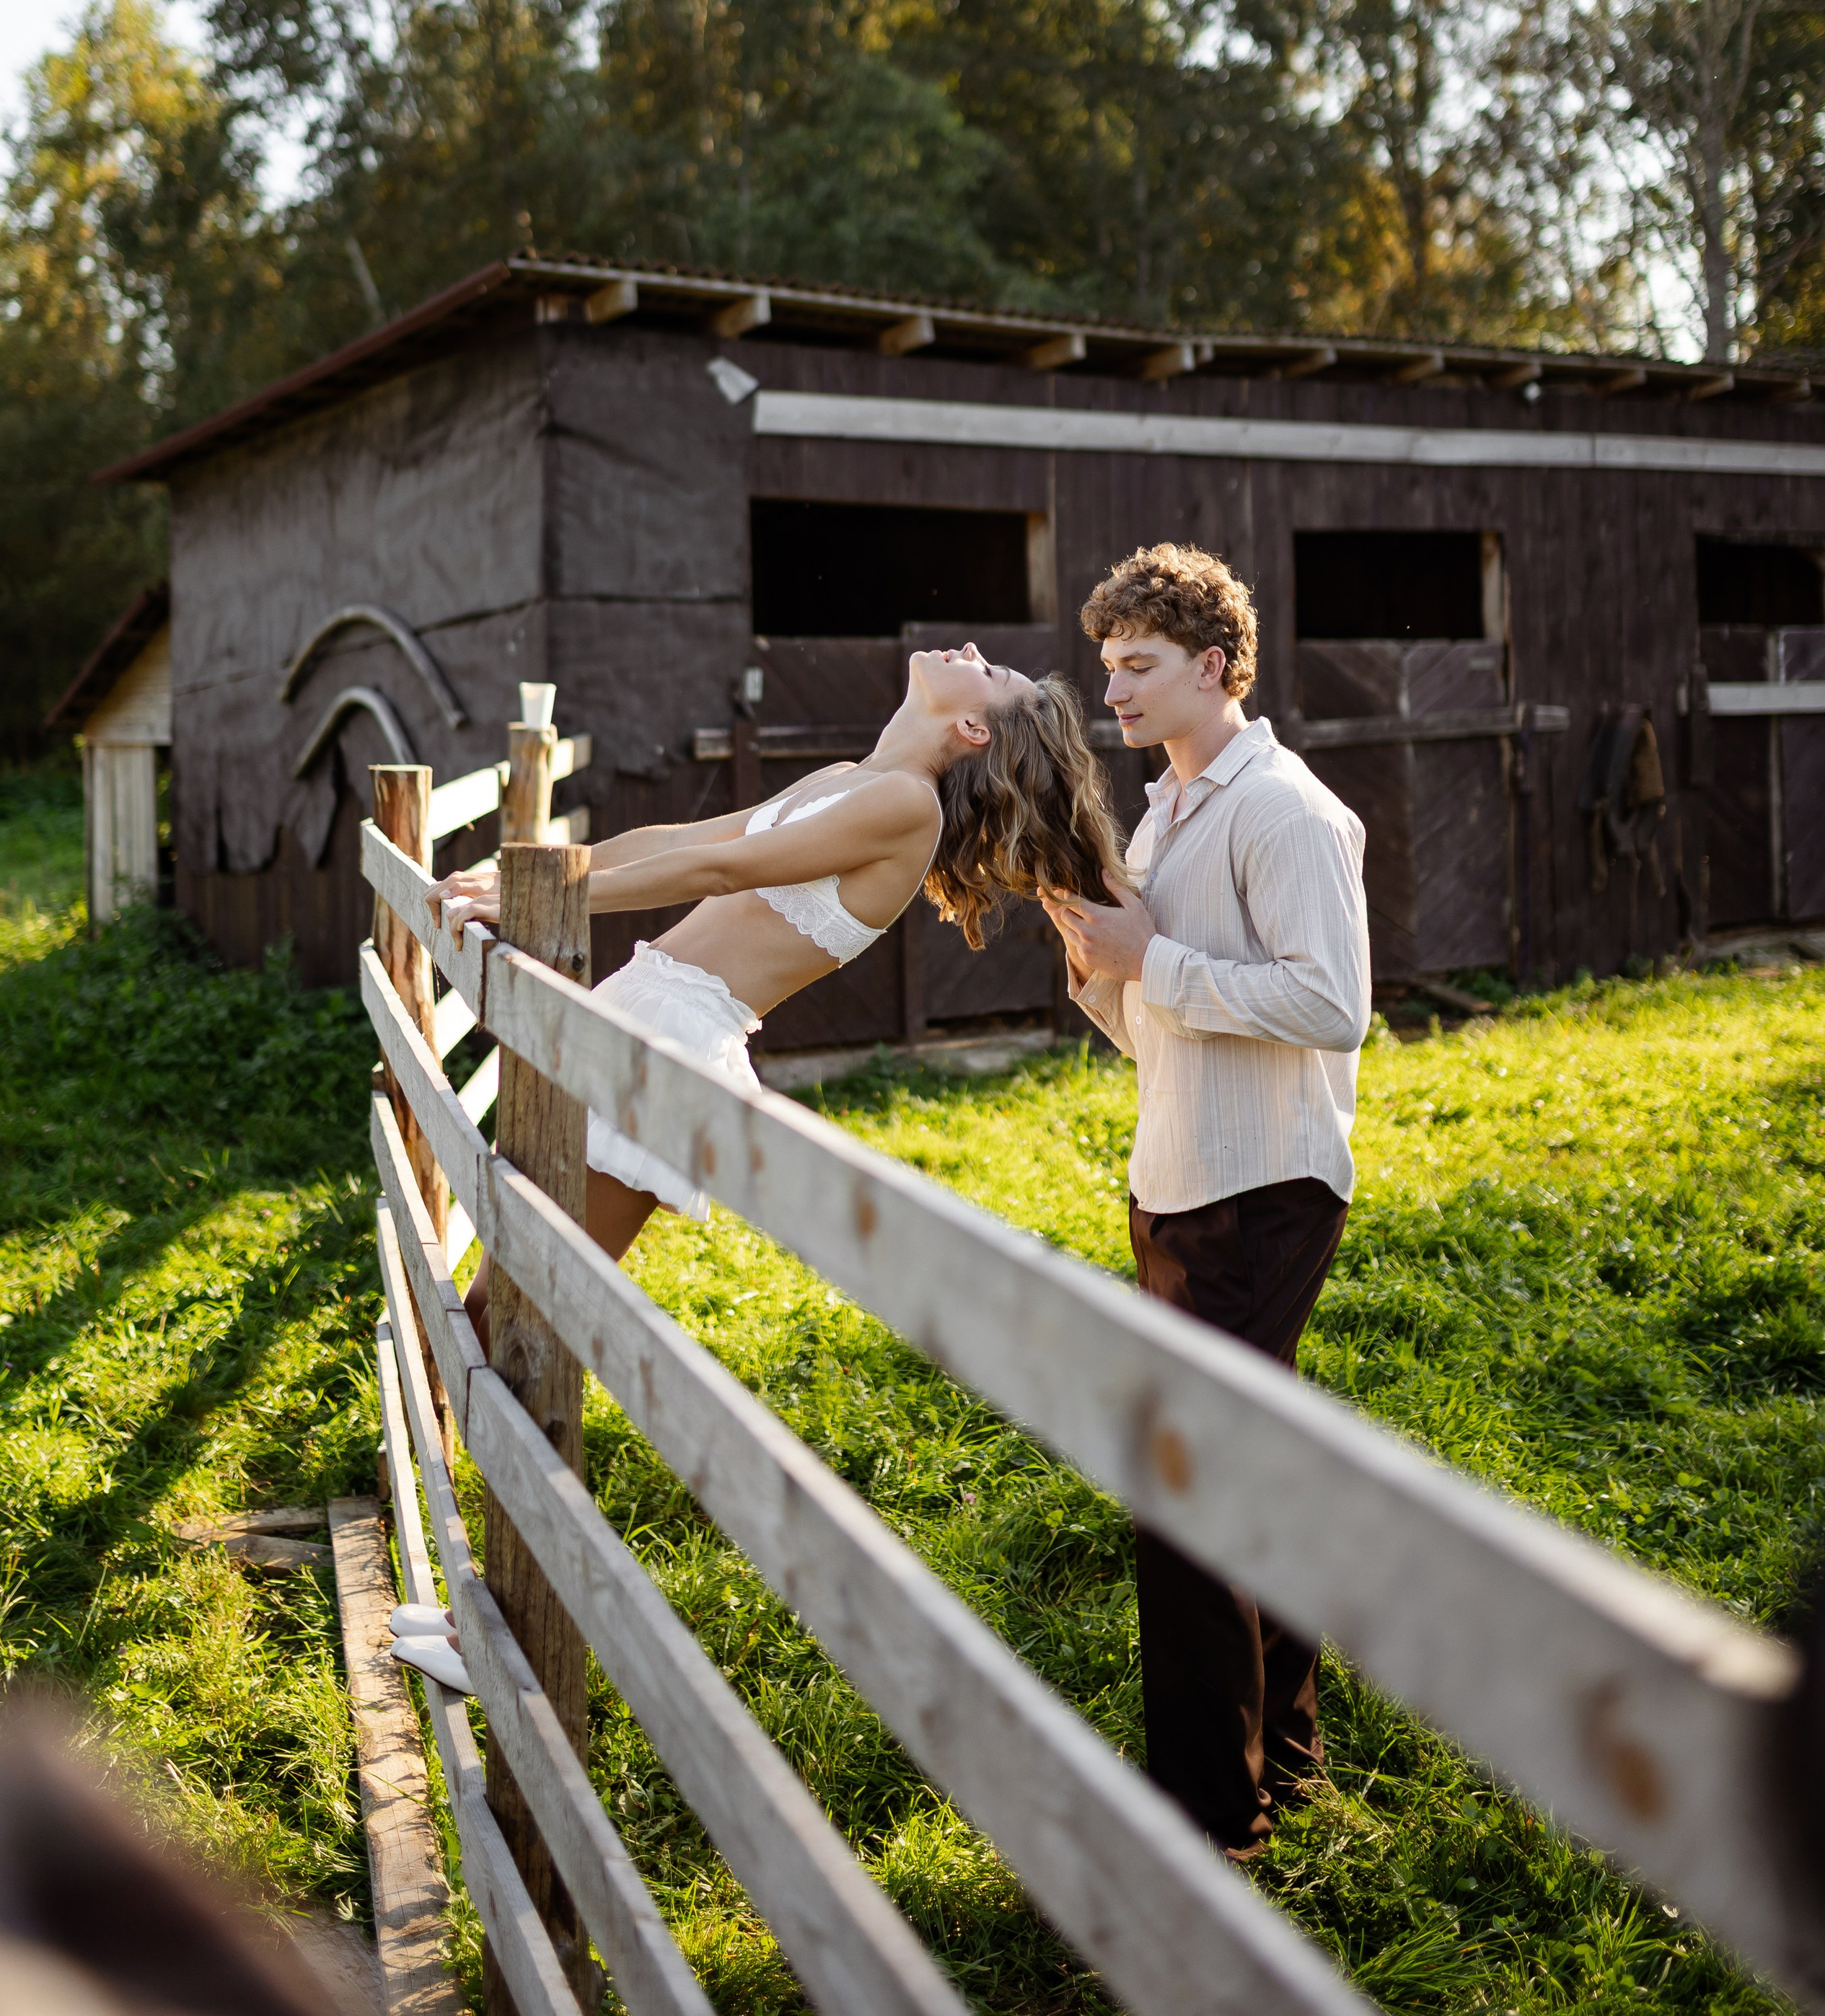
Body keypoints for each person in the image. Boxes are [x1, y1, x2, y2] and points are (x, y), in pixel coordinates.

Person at [434, 640, 1121, 1276]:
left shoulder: (907, 806)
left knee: (533, 1288)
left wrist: (546, 902)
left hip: (677, 1036)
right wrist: (522, 877)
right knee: (506, 1274)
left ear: (974, 729)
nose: (972, 651)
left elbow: (720, 870)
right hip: (637, 998)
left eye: (991, 672)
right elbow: (684, 838)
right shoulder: (847, 777)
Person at [1042, 543, 1369, 1861]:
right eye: (1107, 665)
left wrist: (1154, 960)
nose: (1111, 690)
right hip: (1174, 1181)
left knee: (1183, 1497)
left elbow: (1332, 1005)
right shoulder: (1168, 811)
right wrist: (1101, 971)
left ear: (1215, 669)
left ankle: (1205, 1822)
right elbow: (1162, 1028)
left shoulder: (1283, 810)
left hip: (1261, 1191)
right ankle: (1283, 1764)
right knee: (1247, 1478)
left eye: (1139, 667)